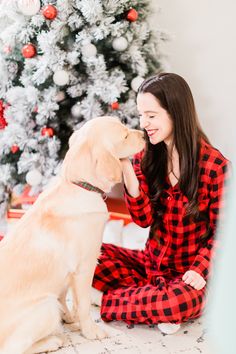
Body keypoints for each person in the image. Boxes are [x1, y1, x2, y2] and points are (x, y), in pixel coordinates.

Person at [92, 73, 231, 334]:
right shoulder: (145, 158)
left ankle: (116, 300)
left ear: (176, 113)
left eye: (151, 115)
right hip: (151, 264)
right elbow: (142, 220)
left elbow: (223, 233)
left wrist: (200, 270)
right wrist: (127, 171)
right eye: (141, 115)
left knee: (179, 301)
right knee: (90, 254)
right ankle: (149, 301)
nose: (143, 123)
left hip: (189, 276)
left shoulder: (215, 167)